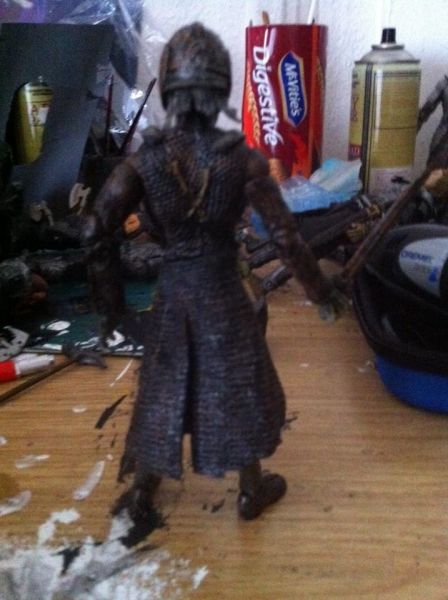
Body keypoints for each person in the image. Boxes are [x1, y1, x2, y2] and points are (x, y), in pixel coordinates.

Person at [85, 22, 346, 521]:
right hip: (224, 290)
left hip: (174, 292)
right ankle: (250, 488)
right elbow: (286, 237)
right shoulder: (243, 161)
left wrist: (110, 307)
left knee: (164, 387)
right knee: (236, 384)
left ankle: (143, 492)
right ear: (221, 86)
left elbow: (95, 229)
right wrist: (322, 293)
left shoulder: (145, 162)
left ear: (169, 87)